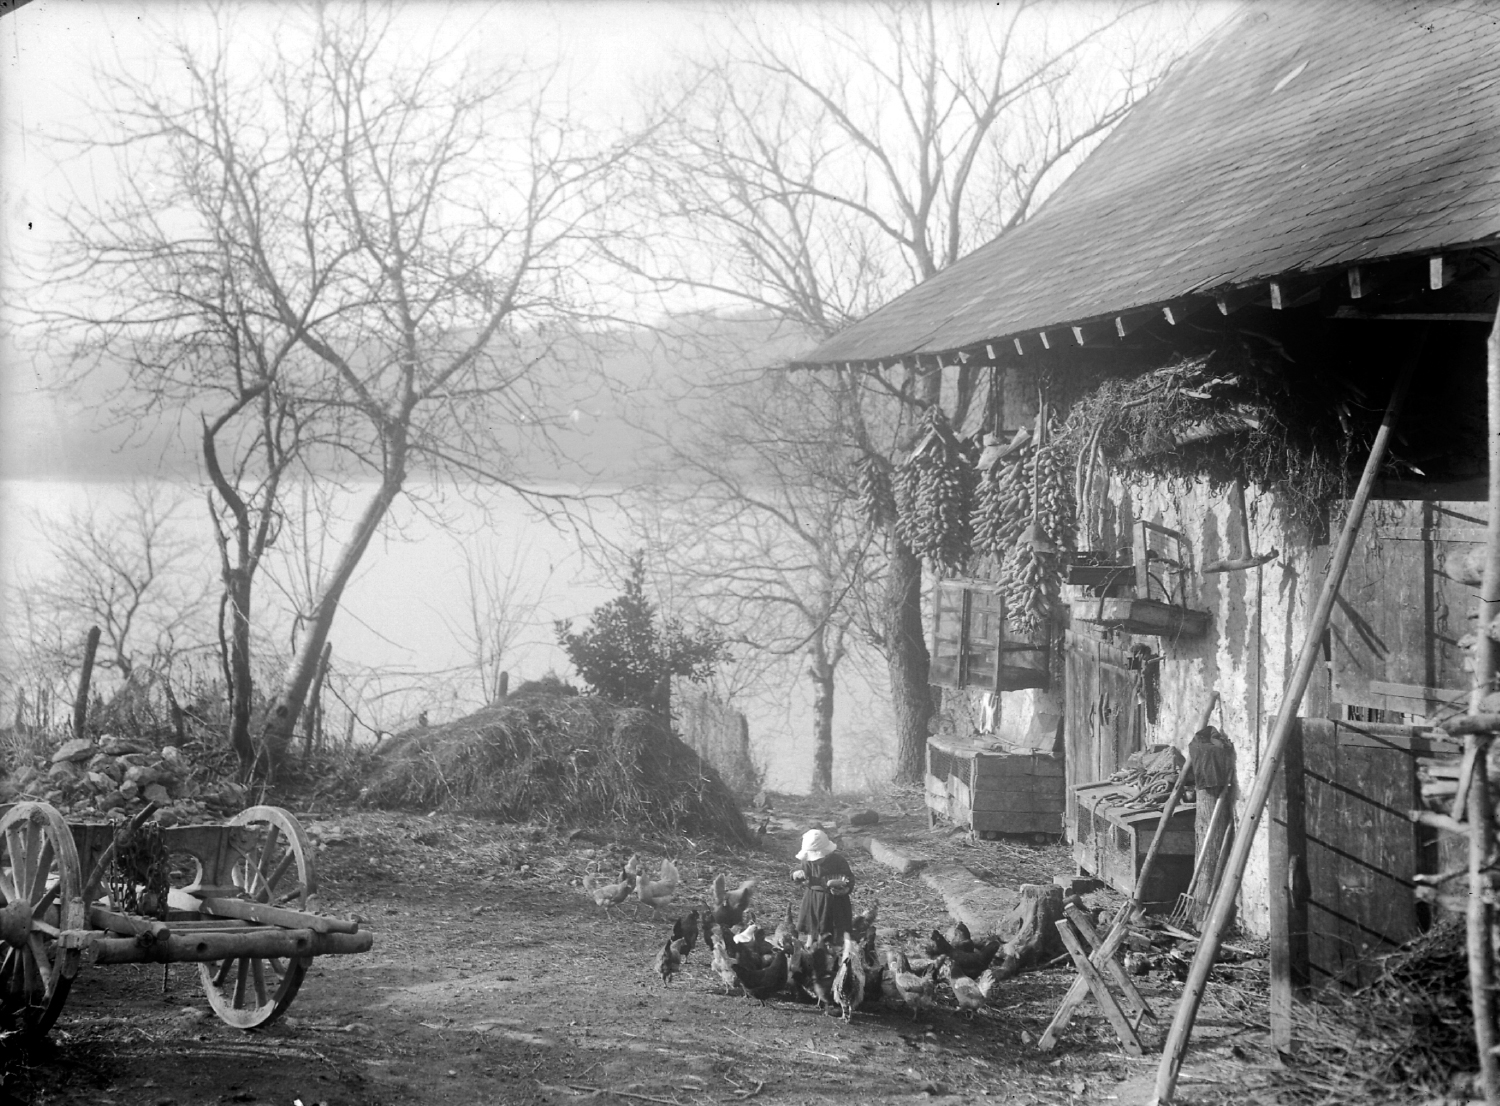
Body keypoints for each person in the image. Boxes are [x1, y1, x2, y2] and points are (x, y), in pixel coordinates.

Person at [791, 828, 855, 941]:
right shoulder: (807, 862)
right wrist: (796, 875)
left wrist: (845, 889)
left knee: (834, 928)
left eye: (817, 858)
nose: (815, 861)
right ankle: (813, 943)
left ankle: (834, 944)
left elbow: (849, 878)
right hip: (813, 899)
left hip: (835, 901)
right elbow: (799, 873)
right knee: (813, 927)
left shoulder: (838, 861)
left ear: (826, 852)